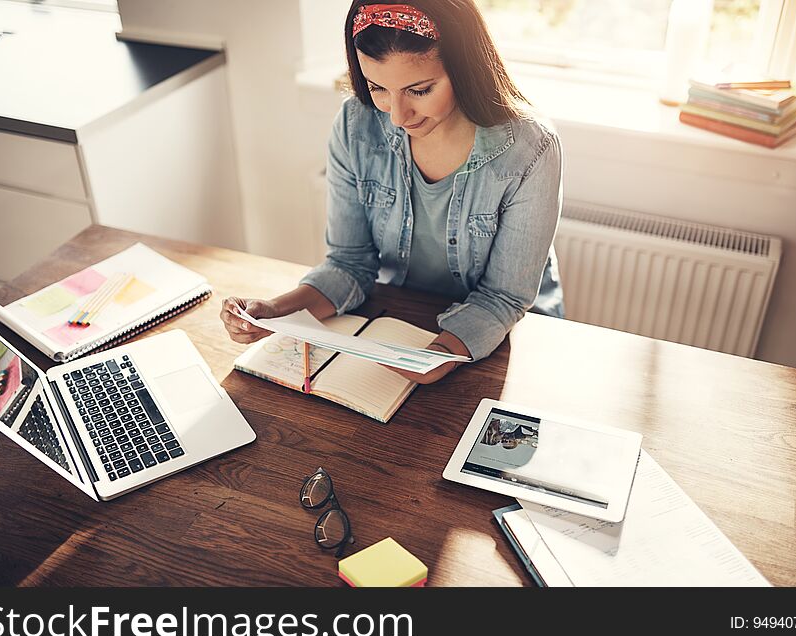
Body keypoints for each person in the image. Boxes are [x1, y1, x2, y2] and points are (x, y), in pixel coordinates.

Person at [221, 0, 563, 384]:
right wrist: (275, 310)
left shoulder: (530, 149)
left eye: (419, 90)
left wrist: (438, 355)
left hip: (500, 341)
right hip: (398, 317)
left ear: (464, 67)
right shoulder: (355, 124)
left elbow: (503, 297)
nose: (398, 116)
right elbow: (349, 265)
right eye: (377, 87)